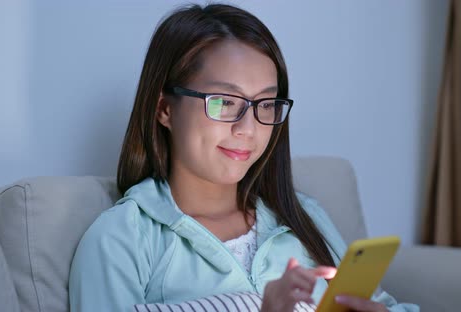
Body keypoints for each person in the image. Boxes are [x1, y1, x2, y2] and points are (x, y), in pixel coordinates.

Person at [69, 3, 418, 312]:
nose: (248, 129)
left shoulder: (303, 216)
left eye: (266, 104)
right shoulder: (120, 240)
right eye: (224, 102)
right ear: (164, 109)